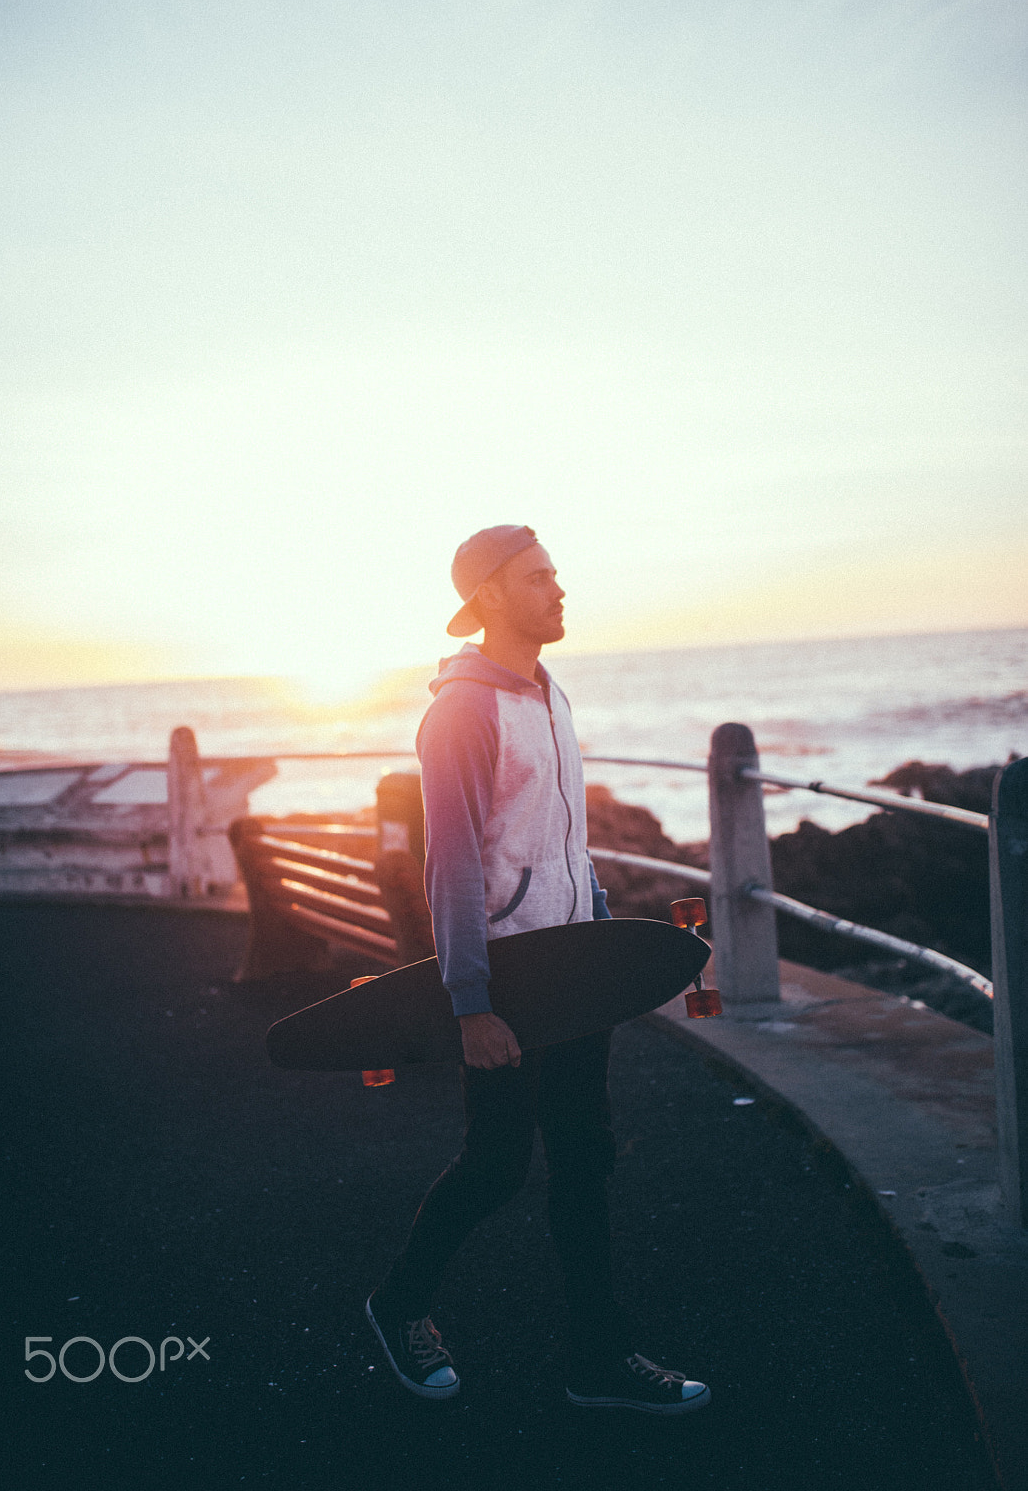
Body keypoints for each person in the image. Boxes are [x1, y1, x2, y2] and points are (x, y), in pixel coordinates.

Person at [365, 524, 711, 1415]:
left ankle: (597, 1357)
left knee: (585, 1159)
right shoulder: (462, 712)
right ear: (487, 597)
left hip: (572, 971)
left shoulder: (551, 695)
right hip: (511, 980)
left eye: (556, 573)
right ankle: (398, 1305)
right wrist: (471, 1003)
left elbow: (565, 842)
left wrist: (601, 938)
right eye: (538, 578)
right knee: (496, 1167)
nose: (560, 590)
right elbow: (456, 866)